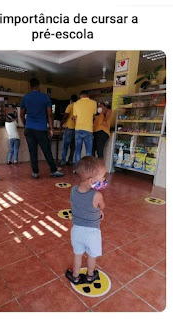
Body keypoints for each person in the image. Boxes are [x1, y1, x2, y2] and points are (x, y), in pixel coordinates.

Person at [65, 156, 107, 285]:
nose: (105, 179)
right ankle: (90, 276)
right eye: (103, 177)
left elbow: (78, 204)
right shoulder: (97, 195)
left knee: (77, 255)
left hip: (76, 231)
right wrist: (99, 210)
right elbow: (102, 206)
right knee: (91, 256)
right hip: (92, 233)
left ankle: (76, 276)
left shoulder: (73, 190)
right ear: (92, 181)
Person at [20, 78, 64, 179]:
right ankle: (53, 171)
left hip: (29, 129)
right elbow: (50, 115)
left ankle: (35, 172)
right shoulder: (45, 97)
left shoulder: (25, 98)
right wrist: (51, 129)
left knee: (32, 151)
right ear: (39, 86)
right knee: (47, 150)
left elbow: (21, 115)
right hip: (41, 129)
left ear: (30, 86)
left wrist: (26, 124)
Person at [73, 90, 97, 171]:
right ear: (88, 95)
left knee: (78, 151)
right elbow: (94, 116)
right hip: (89, 129)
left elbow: (75, 118)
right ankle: (88, 170)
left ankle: (77, 169)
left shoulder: (76, 103)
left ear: (80, 96)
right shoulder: (94, 103)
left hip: (78, 129)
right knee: (89, 152)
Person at [59, 94, 78, 166]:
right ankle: (70, 160)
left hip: (69, 128)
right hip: (76, 129)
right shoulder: (78, 107)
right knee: (73, 146)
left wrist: (61, 124)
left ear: (71, 100)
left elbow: (65, 115)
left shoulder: (70, 106)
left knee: (65, 145)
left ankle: (63, 161)